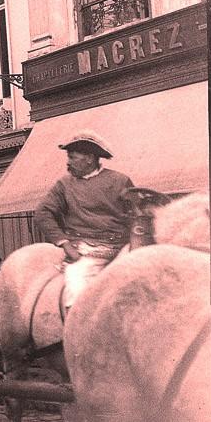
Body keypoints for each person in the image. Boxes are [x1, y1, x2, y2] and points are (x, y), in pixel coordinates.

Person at [34, 130, 134, 309]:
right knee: (76, 285)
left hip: (124, 250)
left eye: (72, 157)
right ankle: (77, 331)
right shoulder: (64, 185)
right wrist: (65, 244)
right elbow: (43, 212)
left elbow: (136, 214)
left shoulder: (120, 181)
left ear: (89, 158)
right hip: (87, 252)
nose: (68, 162)